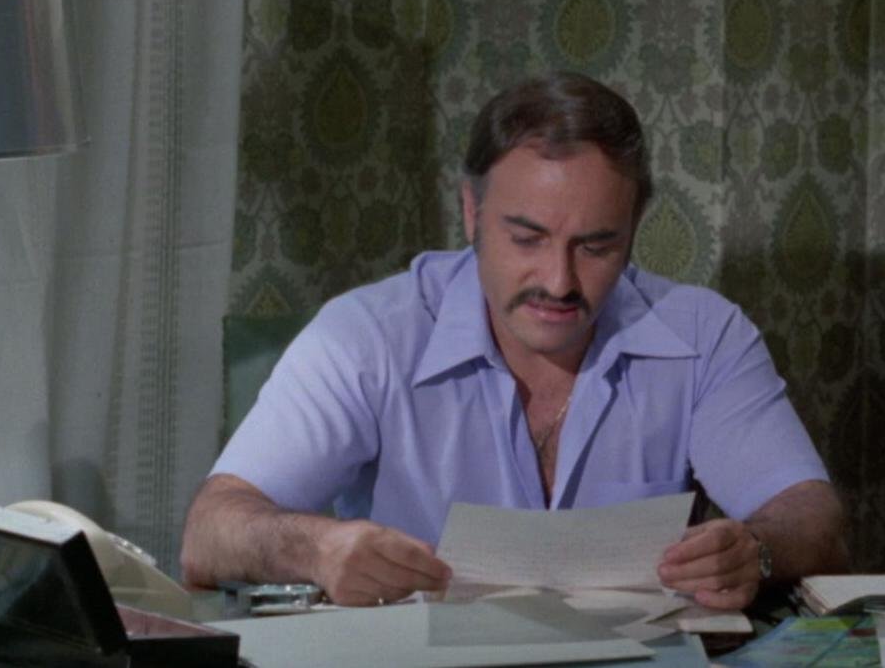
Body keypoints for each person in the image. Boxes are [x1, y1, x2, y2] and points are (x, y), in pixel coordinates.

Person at [180, 72, 848, 609]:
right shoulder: (366, 335)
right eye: (527, 238)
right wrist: (318, 549)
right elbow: (209, 532)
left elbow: (813, 517)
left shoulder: (703, 332)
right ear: (471, 212)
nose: (559, 281)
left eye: (596, 246)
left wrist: (755, 549)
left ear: (635, 228)